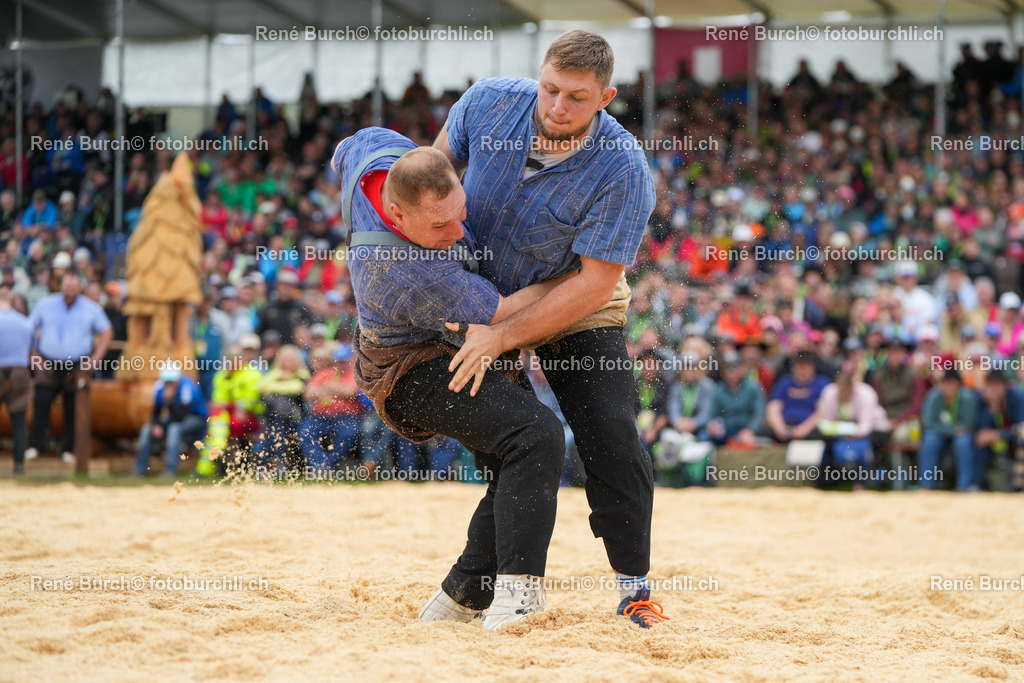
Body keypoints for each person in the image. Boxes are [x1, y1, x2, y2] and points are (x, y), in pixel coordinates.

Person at [433, 29, 667, 627]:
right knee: (519, 445)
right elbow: (431, 177)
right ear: (538, 75)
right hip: (484, 297)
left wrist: (504, 336)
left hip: (576, 302)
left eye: (577, 97)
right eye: (550, 89)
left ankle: (634, 586)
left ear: (607, 96)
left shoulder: (624, 169)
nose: (558, 107)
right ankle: (471, 590)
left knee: (611, 431)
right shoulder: (487, 101)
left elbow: (591, 284)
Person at [334, 128, 570, 630]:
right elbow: (502, 310)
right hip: (409, 372)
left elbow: (349, 145)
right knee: (536, 436)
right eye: (441, 225)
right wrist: (575, 280)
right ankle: (517, 596)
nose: (458, 232)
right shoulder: (397, 267)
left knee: (520, 459)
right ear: (396, 215)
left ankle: (460, 599)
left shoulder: (380, 152)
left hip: (451, 344)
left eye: (460, 212)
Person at [26, 272, 112, 463]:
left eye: (73, 287)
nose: (70, 290)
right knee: (41, 400)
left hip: (77, 365)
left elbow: (107, 332)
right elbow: (29, 328)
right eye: (67, 286)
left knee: (74, 406)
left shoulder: (91, 308)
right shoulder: (45, 304)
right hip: (47, 362)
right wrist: (33, 355)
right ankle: (37, 446)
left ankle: (68, 449)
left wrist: (95, 359)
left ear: (79, 288)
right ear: (60, 286)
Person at [300, 342, 367, 473]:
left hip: (348, 417)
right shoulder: (323, 373)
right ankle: (320, 466)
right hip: (320, 417)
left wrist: (327, 387)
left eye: (343, 361)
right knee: (305, 432)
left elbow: (351, 392)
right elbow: (308, 394)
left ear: (350, 360)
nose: (340, 364)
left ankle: (326, 467)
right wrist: (337, 390)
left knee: (349, 434)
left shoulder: (356, 374)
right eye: (337, 361)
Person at [134, 363, 208, 477]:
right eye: (166, 381)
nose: (169, 384)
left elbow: (181, 416)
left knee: (174, 429)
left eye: (171, 381)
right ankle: (140, 470)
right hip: (175, 417)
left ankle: (171, 469)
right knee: (147, 429)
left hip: (196, 418)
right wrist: (156, 425)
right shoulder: (159, 387)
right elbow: (156, 412)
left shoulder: (187, 387)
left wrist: (169, 400)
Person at [919, 369, 980, 491]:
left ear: (958, 384)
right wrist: (952, 429)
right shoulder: (934, 396)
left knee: (964, 442)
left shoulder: (967, 397)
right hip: (941, 432)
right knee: (929, 441)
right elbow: (929, 422)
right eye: (946, 383)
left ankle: (964, 484)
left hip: (960, 434)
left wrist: (953, 429)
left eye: (952, 383)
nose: (949, 387)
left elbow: (970, 422)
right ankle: (926, 484)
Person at [257, 344, 309, 471]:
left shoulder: (303, 374)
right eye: (286, 358)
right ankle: (269, 466)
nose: (289, 361)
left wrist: (280, 384)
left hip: (297, 420)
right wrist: (279, 377)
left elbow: (297, 388)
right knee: (273, 432)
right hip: (274, 418)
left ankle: (276, 466)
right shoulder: (275, 373)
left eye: (292, 358)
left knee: (277, 430)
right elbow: (261, 386)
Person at [0, 286, 34, 474]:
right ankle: (19, 464)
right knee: (19, 419)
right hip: (19, 371)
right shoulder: (25, 322)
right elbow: (32, 349)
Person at [974, 370, 1024, 491]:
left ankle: (1019, 486)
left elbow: (1021, 426)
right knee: (976, 441)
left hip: (1013, 439)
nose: (994, 388)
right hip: (991, 441)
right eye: (991, 385)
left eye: (998, 384)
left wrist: (1000, 434)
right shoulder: (982, 399)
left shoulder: (1017, 397)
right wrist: (992, 407)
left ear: (1005, 385)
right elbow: (980, 427)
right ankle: (975, 485)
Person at [765, 351, 830, 442]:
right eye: (799, 366)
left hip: (810, 429)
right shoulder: (784, 383)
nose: (802, 370)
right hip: (785, 426)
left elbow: (822, 412)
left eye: (806, 366)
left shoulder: (822, 384)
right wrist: (780, 428)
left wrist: (803, 429)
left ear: (813, 367)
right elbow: (773, 408)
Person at [703, 351, 764, 446]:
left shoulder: (753, 387)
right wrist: (712, 426)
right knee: (704, 437)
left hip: (747, 429)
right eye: (727, 368)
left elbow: (759, 413)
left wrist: (750, 430)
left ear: (742, 368)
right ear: (722, 371)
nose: (731, 371)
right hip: (727, 431)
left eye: (734, 366)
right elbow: (709, 414)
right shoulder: (718, 390)